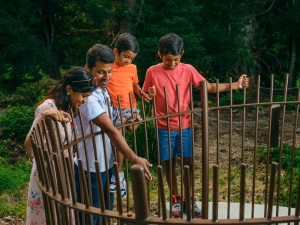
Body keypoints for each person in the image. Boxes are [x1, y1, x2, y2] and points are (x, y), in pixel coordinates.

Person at [142, 33, 249, 218]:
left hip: (185, 125)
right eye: (168, 60)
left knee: (188, 163)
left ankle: (190, 198)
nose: (173, 64)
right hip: (163, 126)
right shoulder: (152, 72)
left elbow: (209, 87)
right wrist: (148, 95)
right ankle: (175, 198)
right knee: (168, 164)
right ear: (160, 55)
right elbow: (144, 96)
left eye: (176, 59)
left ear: (182, 54)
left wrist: (235, 85)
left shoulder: (188, 69)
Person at [73, 44, 152, 225]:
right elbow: (109, 128)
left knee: (105, 213)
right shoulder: (88, 97)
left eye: (109, 72)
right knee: (89, 216)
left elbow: (114, 122)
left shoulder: (103, 91)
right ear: (88, 68)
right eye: (100, 72)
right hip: (90, 166)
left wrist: (130, 121)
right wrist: (134, 158)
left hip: (106, 163)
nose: (106, 77)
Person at [24, 67, 97, 225]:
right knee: (49, 216)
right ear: (69, 89)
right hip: (47, 171)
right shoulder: (48, 107)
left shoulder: (68, 107)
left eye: (88, 97)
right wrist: (44, 117)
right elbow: (29, 148)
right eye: (84, 96)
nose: (85, 101)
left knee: (63, 215)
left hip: (65, 172)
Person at [106, 33, 155, 198]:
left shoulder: (132, 69)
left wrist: (142, 94)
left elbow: (135, 84)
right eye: (126, 57)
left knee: (125, 129)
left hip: (129, 107)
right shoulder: (108, 67)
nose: (128, 61)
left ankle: (118, 173)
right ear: (115, 52)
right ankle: (117, 174)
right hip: (112, 108)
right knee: (116, 136)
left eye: (132, 58)